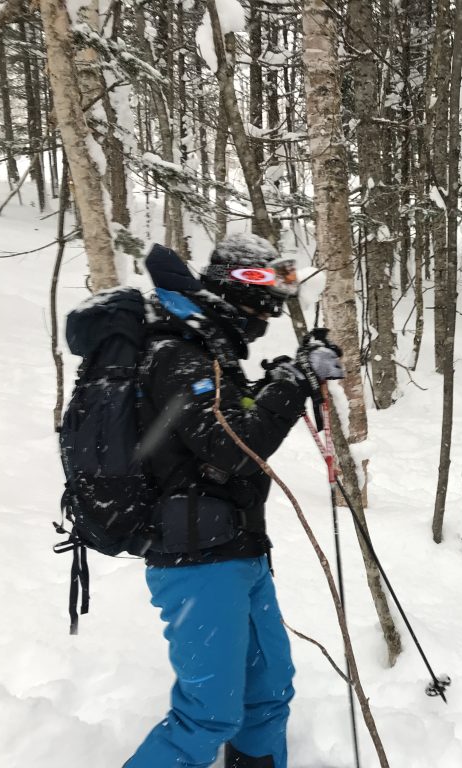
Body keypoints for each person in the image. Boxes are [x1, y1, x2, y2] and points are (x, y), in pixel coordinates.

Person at [124, 235, 344, 768]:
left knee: (267, 694)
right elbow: (232, 445)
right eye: (269, 286)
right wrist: (294, 382)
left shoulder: (209, 351)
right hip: (197, 559)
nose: (273, 304)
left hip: (238, 549)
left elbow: (232, 415)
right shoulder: (176, 351)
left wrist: (284, 377)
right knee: (209, 716)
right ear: (237, 283)